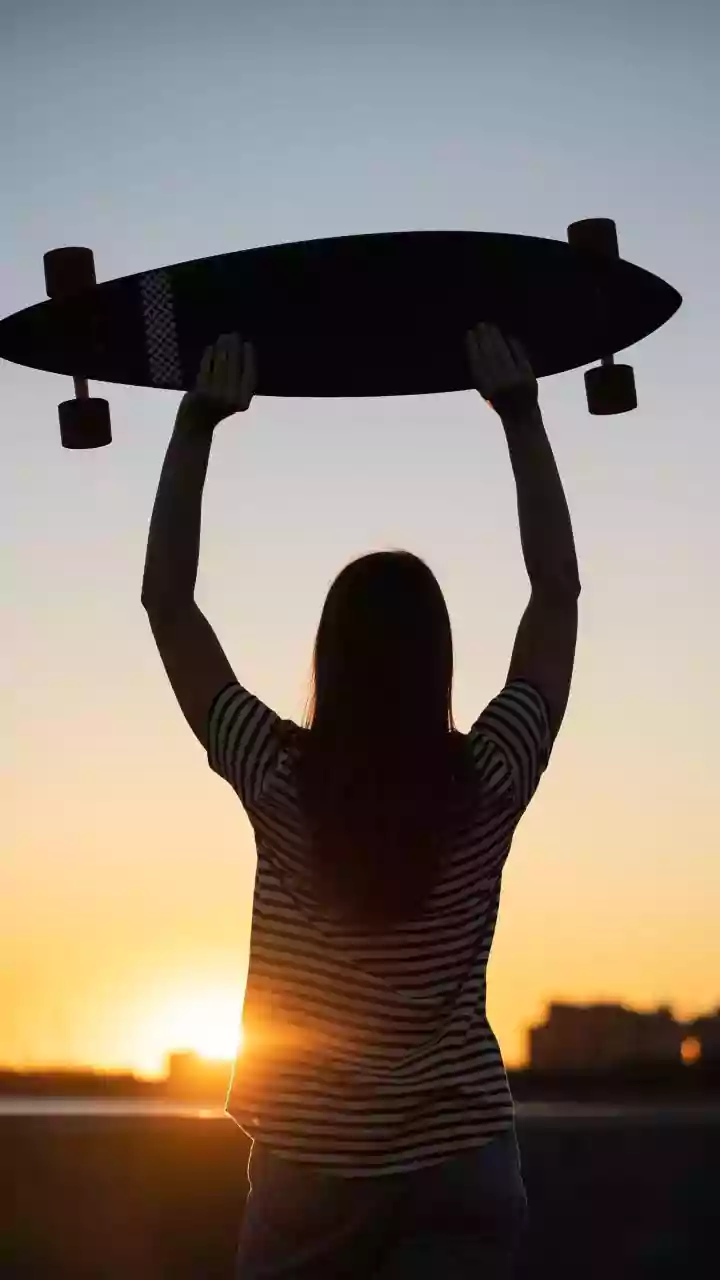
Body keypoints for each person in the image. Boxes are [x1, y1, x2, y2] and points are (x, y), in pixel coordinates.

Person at [141, 322, 580, 1279]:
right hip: (464, 1162)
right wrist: (521, 418)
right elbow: (557, 593)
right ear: (441, 664)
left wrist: (197, 427)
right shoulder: (492, 778)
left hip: (309, 1169)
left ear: (328, 660)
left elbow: (168, 604)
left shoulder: (278, 776)